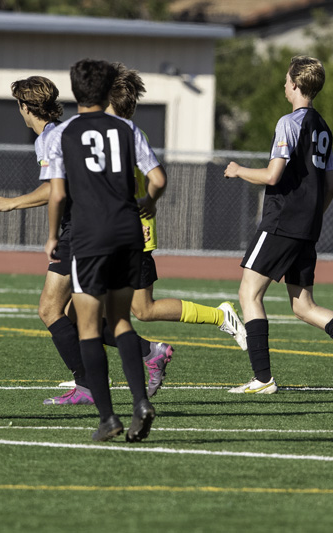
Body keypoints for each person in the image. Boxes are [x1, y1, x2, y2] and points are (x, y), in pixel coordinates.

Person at [223, 55, 333, 394]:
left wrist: (238, 170)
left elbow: (272, 175)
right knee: (303, 306)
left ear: (295, 85)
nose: (284, 85)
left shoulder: (289, 123)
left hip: (282, 221)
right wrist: (310, 219)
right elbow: (330, 188)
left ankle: (263, 378)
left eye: (286, 80)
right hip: (308, 227)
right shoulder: (324, 128)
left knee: (248, 293)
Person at [102, 62, 247, 397]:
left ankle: (217, 317)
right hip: (118, 233)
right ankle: (89, 373)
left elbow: (155, 180)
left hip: (131, 235)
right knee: (122, 310)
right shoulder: (120, 133)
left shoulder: (127, 135)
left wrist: (147, 201)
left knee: (137, 310)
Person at [46, 58, 167, 441]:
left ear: (75, 90)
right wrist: (148, 200)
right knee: (121, 321)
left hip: (89, 236)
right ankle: (140, 403)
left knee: (87, 325)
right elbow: (159, 179)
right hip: (128, 232)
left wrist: (52, 236)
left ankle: (107, 418)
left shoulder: (63, 133)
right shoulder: (127, 129)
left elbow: (59, 193)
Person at [0, 76, 98, 405]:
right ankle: (92, 380)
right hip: (94, 227)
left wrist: (12, 202)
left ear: (25, 107)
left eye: (18, 105)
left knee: (50, 309)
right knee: (79, 314)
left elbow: (54, 188)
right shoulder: (65, 132)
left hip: (79, 230)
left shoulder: (49, 138)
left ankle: (96, 380)